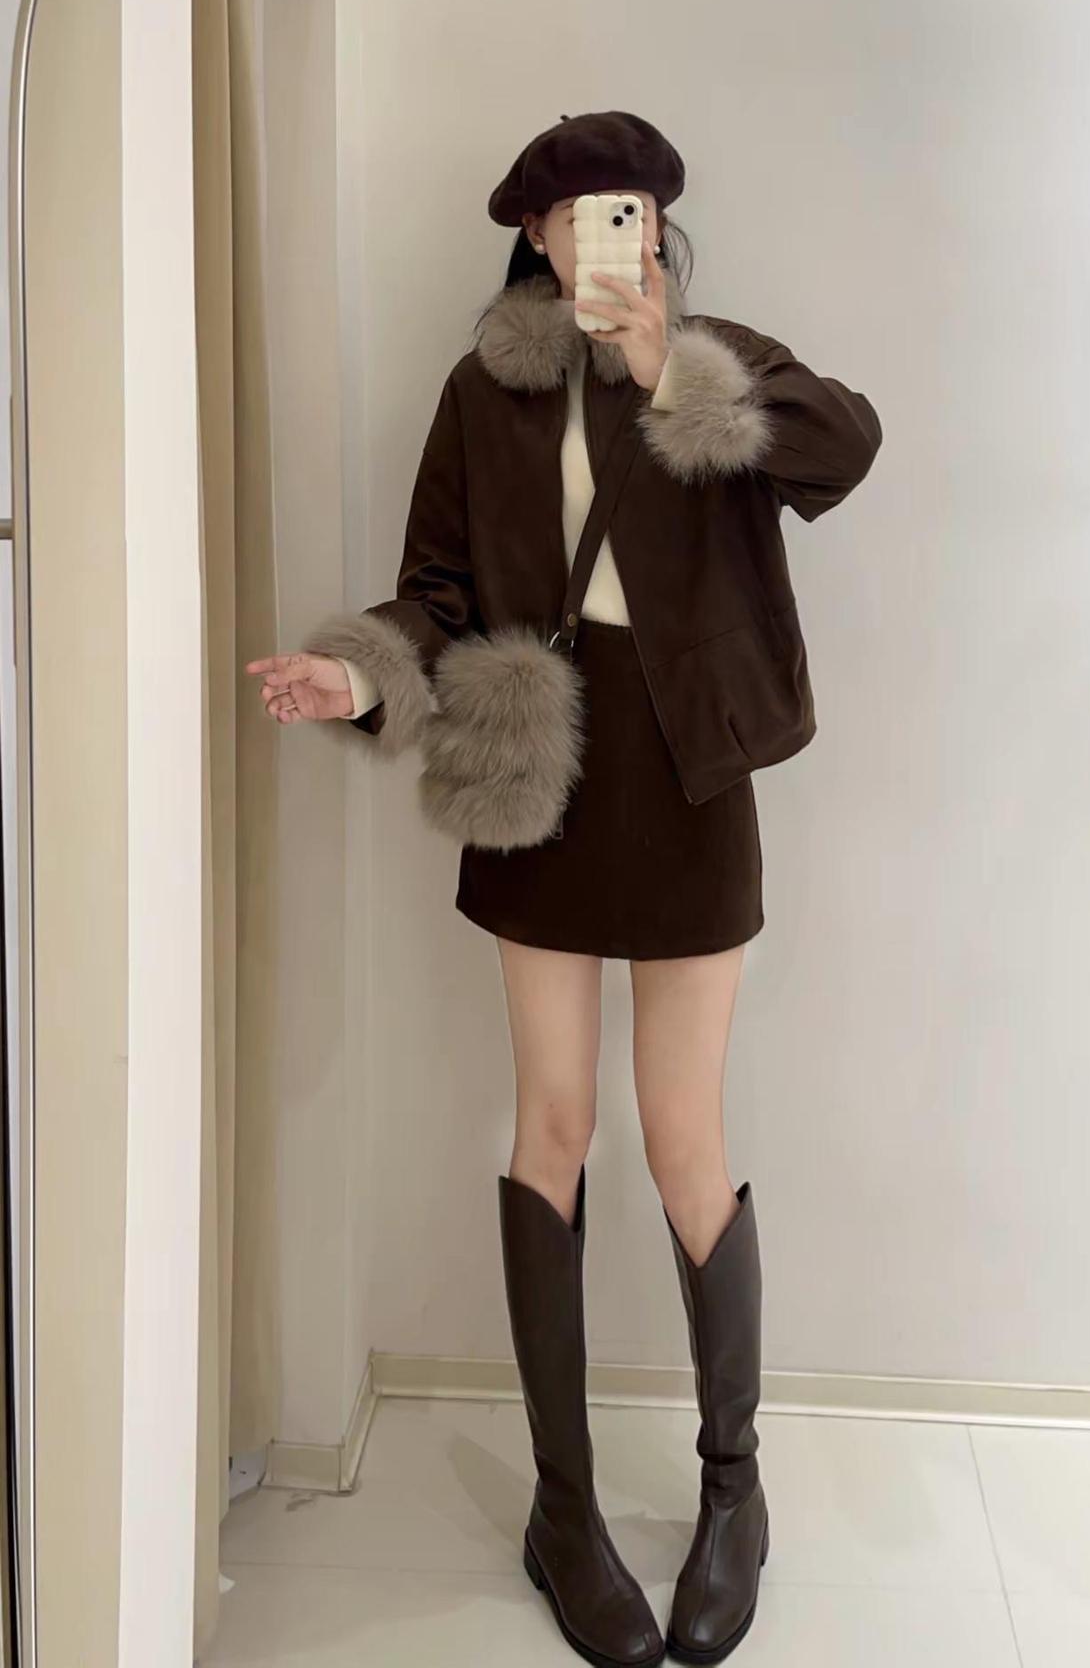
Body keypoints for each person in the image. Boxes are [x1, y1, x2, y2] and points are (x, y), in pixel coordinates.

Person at [245, 109, 882, 1667]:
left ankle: (732, 1490)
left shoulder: (716, 361)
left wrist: (677, 374)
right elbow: (439, 588)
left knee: (684, 1138)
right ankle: (564, 1507)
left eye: (640, 208)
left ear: (659, 231)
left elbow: (848, 446)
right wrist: (355, 674)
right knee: (551, 1126)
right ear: (536, 233)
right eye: (592, 209)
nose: (620, 230)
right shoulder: (483, 393)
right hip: (541, 779)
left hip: (690, 774)